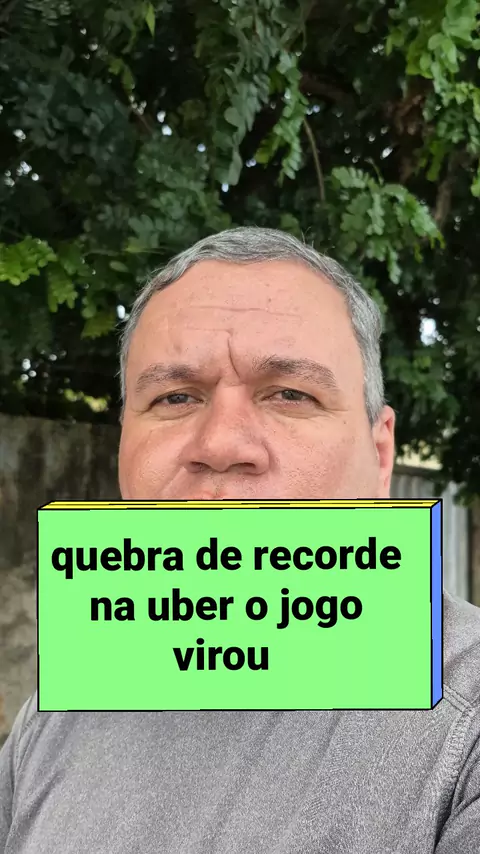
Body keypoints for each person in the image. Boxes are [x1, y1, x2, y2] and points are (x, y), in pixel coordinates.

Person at [1, 227, 479, 853]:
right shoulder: (57, 712)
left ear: (380, 455)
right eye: (175, 397)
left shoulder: (466, 728)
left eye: (291, 394)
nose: (222, 444)